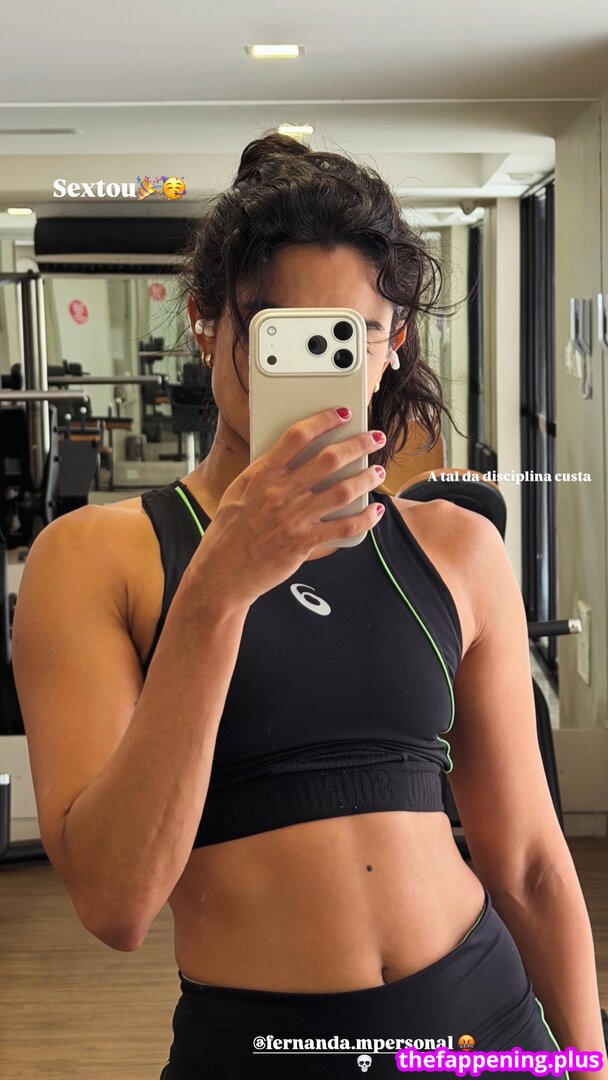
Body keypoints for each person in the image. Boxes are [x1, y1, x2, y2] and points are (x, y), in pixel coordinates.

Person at [12, 134, 606, 1080]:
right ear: (208, 323)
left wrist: (584, 1062)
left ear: (392, 345)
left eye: (353, 334)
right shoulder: (95, 559)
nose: (318, 366)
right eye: (281, 335)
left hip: (482, 1032)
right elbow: (116, 902)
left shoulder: (455, 548)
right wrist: (219, 584)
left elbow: (531, 863)